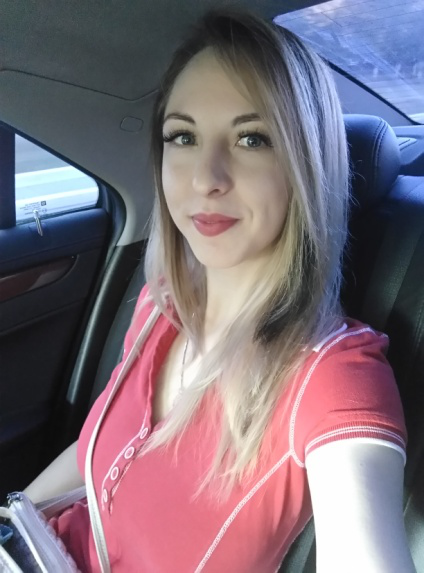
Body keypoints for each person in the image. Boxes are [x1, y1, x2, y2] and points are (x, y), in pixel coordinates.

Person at [24, 9, 415, 573]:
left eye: (252, 139)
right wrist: (13, 522)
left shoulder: (333, 377)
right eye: (183, 136)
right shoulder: (160, 305)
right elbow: (93, 450)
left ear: (305, 166)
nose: (206, 177)